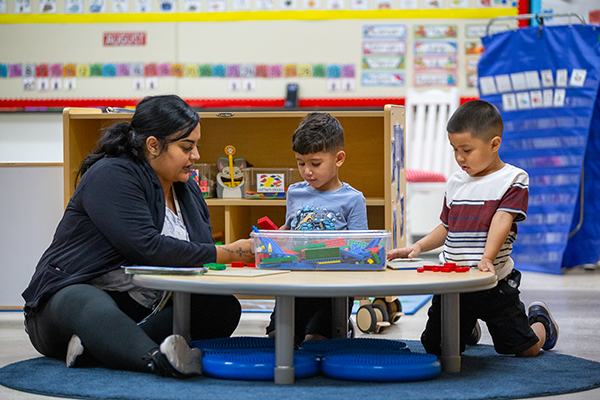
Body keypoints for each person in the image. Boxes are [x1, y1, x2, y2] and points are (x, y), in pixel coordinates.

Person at [22, 95, 254, 378]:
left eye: (196, 146)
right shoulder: (112, 174)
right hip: (66, 305)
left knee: (222, 306)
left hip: (141, 307)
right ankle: (157, 360)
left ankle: (101, 347)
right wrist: (231, 252)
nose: (195, 156)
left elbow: (198, 252)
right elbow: (147, 247)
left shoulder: (187, 188)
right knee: (85, 298)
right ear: (153, 145)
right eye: (186, 147)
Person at [387, 100, 558, 357]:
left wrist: (487, 257)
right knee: (436, 347)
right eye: (454, 149)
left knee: (526, 349)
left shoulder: (514, 179)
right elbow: (447, 225)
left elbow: (502, 220)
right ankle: (465, 328)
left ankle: (541, 322)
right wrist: (418, 246)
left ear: (494, 144)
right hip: (455, 284)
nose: (459, 157)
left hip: (495, 282)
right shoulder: (456, 181)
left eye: (466, 150)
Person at [266, 112, 368, 344]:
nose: (307, 171)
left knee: (315, 340)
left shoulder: (353, 199)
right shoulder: (294, 192)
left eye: (315, 164)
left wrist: (318, 251)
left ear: (338, 159)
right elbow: (292, 229)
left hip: (333, 288)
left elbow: (359, 248)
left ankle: (342, 326)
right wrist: (278, 237)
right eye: (300, 163)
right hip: (296, 285)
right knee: (278, 339)